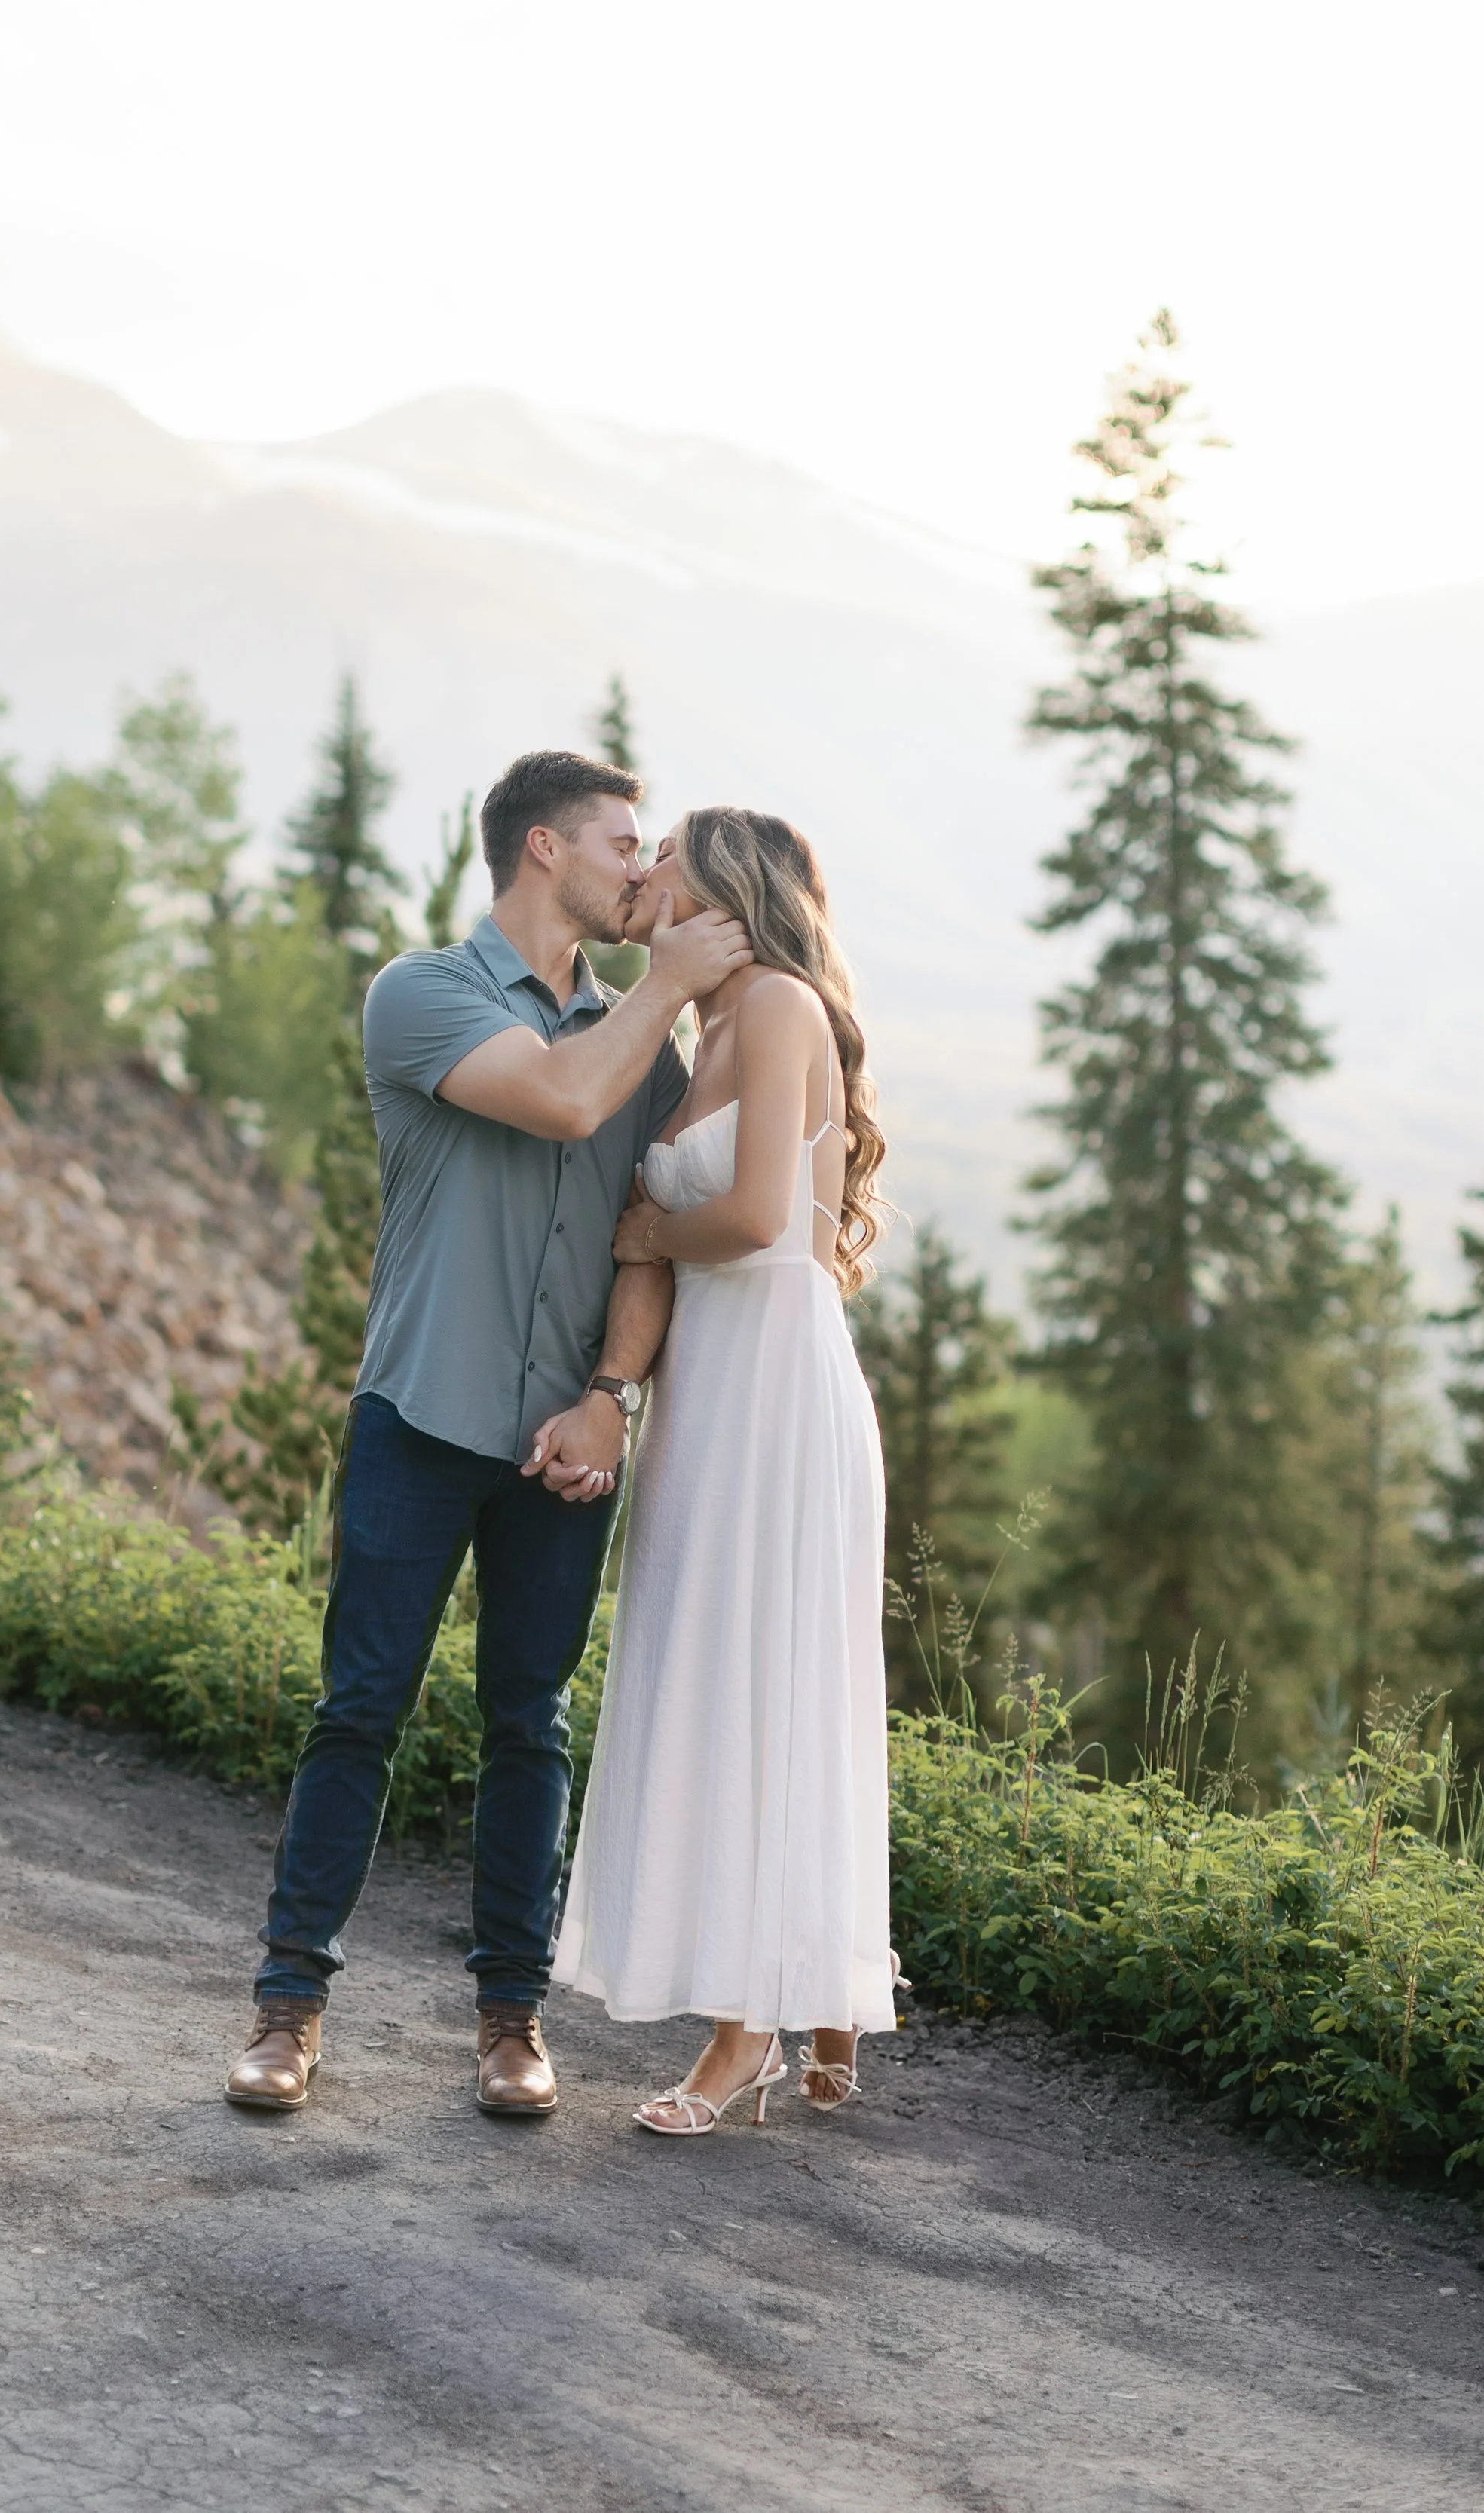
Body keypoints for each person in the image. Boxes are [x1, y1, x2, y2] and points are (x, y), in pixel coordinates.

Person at [225, 751, 752, 2117]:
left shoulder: (647, 1039)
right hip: (421, 1414)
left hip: (558, 1444)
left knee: (534, 1721)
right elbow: (568, 1099)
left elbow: (646, 1242)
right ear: (541, 851)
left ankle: (511, 2022)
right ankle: (289, 2011)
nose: (646, 871)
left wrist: (613, 1396)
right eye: (624, 843)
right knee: (362, 1709)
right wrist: (672, 989)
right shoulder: (425, 994)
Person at [552, 805, 896, 2132]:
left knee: (768, 1681)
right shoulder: (703, 1025)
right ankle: (814, 1991)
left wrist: (644, 1221)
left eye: (667, 864)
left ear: (726, 894)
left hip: (777, 1387)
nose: (645, 877)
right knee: (737, 1678)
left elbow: (757, 1219)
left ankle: (742, 2033)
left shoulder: (785, 1012)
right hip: (711, 1390)